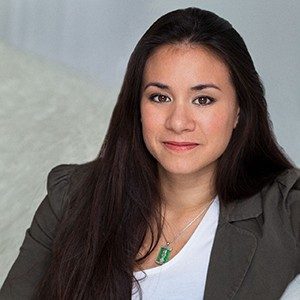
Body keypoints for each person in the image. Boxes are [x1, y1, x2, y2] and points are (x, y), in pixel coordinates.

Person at [0, 6, 299, 300]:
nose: (178, 122)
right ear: (137, 108)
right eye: (160, 97)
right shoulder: (70, 196)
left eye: (203, 100)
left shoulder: (286, 211)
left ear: (239, 111)